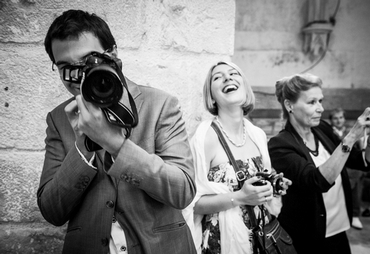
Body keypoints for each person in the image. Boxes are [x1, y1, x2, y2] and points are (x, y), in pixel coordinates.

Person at [37, 10, 196, 254]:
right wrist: (83, 145)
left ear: (112, 54)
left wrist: (114, 144)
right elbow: (52, 211)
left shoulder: (160, 104)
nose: (79, 75)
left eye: (89, 60)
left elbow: (183, 191)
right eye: (66, 68)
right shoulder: (58, 119)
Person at [268, 73, 370, 254]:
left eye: (320, 101)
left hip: (337, 229)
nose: (320, 108)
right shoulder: (279, 145)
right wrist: (351, 136)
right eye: (312, 102)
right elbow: (317, 181)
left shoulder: (322, 129)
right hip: (308, 236)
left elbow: (362, 161)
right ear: (289, 105)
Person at [182, 61, 292, 254]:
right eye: (218, 77)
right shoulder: (205, 137)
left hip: (262, 238)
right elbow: (191, 203)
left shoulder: (256, 134)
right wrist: (240, 197)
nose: (227, 77)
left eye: (234, 73)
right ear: (212, 96)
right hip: (224, 243)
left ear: (245, 88)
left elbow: (260, 180)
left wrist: (273, 185)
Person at [330, 108, 364, 229]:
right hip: (335, 164)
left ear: (344, 119)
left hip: (351, 165)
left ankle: (355, 214)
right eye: (335, 118)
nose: (338, 121)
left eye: (341, 118)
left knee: (356, 174)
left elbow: (360, 149)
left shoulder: (351, 131)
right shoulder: (328, 132)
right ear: (331, 120)